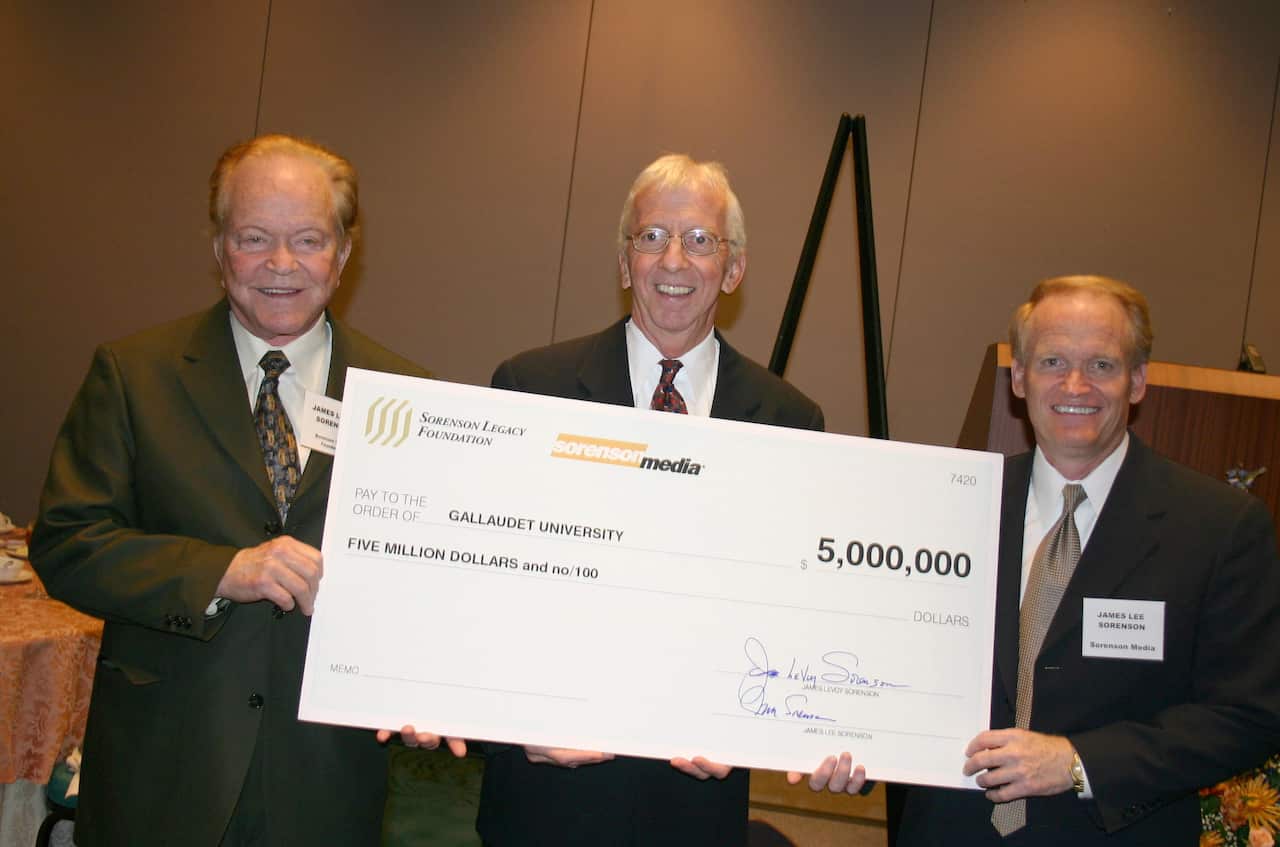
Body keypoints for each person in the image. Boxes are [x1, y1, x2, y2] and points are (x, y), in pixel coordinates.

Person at [31, 134, 429, 846]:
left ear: (343, 254)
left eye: (308, 239)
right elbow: (68, 544)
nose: (281, 263)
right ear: (219, 248)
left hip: (326, 777)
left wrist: (429, 682)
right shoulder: (133, 375)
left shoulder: (405, 396)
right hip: (165, 767)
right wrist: (222, 570)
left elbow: (428, 578)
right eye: (254, 238)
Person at [804, 275, 1280, 845]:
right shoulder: (946, 510)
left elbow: (1250, 716)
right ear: (1020, 378)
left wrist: (1079, 763)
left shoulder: (1218, 528)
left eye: (1101, 364)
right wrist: (849, 741)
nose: (1075, 385)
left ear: (1137, 381)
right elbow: (891, 668)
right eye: (1053, 361)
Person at [474, 153, 824, 845]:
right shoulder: (530, 388)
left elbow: (796, 609)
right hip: (547, 796)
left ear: (733, 269)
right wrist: (512, 721)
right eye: (652, 236)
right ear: (623, 261)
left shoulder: (790, 422)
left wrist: (775, 724)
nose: (673, 260)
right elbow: (484, 582)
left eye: (700, 240)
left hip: (692, 804)